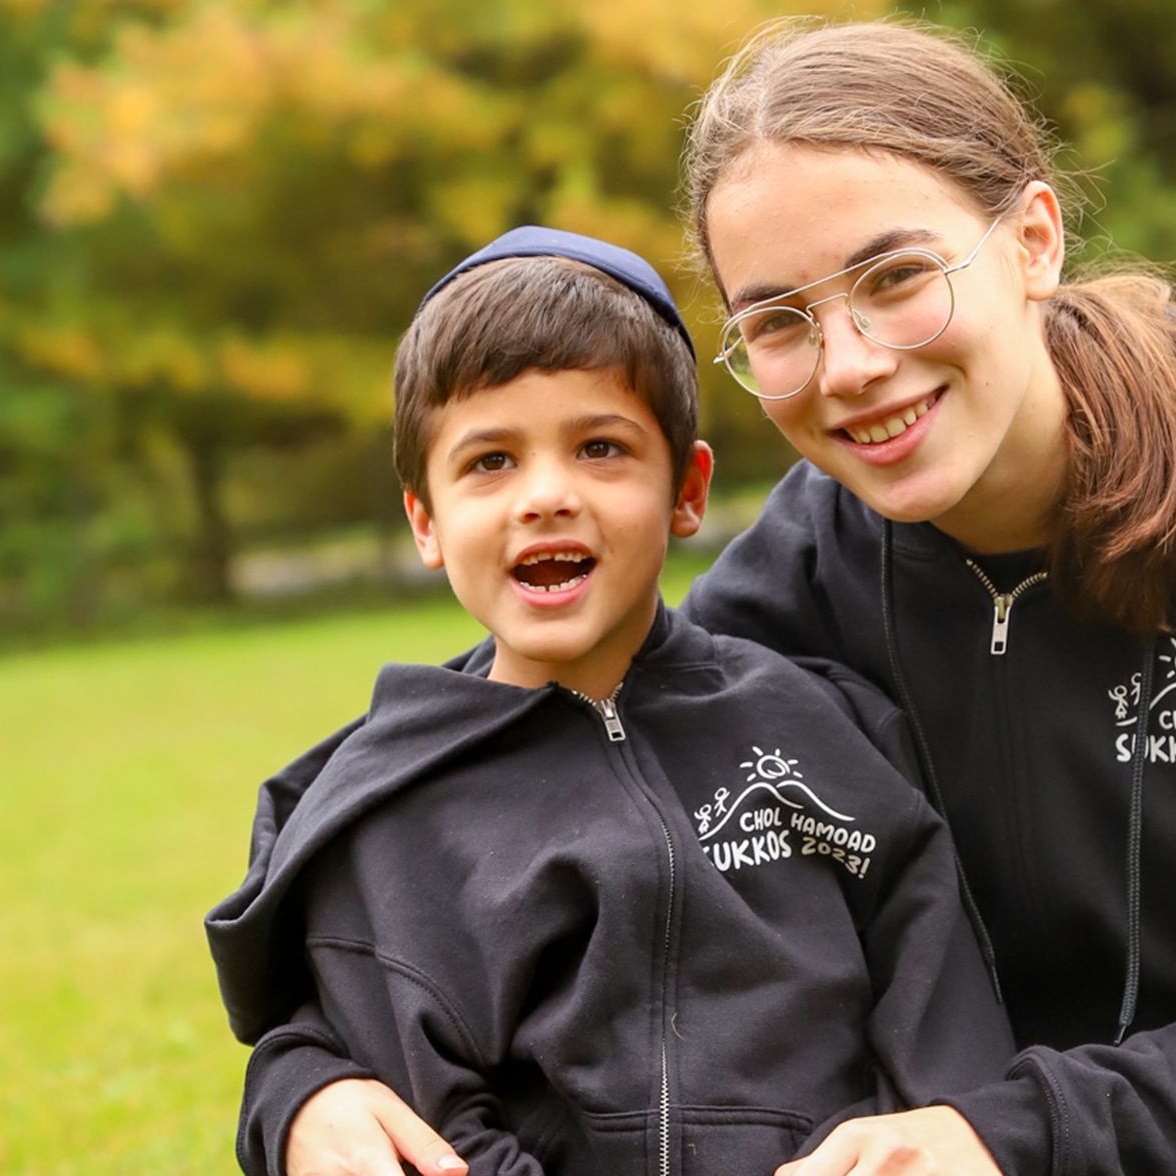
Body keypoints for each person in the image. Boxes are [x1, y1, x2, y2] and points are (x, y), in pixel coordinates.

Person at [248, 19, 1176, 1175]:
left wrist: (1001, 1133)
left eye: (897, 276)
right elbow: (509, 800)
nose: (852, 366)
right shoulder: (789, 594)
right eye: (783, 321)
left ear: (1032, 238)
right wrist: (305, 1085)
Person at [205, 227, 1016, 1176]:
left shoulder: (828, 734)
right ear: (424, 519)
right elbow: (433, 1128)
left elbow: (944, 1034)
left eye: (600, 448)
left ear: (688, 490)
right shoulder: (387, 819)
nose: (545, 496)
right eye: (489, 462)